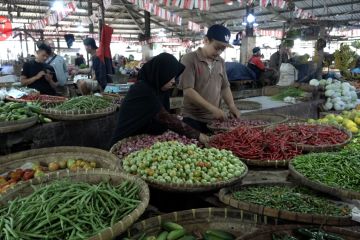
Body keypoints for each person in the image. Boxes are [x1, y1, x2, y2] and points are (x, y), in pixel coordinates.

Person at [111, 53, 209, 146]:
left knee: (190, 121)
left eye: (175, 77)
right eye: (170, 77)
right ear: (161, 73)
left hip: (144, 137)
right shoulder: (143, 90)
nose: (173, 81)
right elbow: (166, 118)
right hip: (126, 141)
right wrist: (198, 135)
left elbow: (163, 115)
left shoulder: (159, 88)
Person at [178, 24, 240, 133]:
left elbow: (225, 87)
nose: (219, 52)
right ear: (206, 40)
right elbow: (188, 91)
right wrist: (213, 109)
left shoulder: (220, 61)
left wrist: (232, 105)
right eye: (217, 48)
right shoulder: (189, 59)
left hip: (214, 120)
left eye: (223, 49)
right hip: (193, 118)